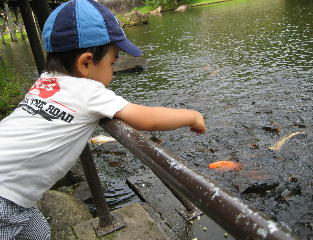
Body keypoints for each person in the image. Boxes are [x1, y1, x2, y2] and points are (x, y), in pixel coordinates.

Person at [0, 0, 206, 239]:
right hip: (6, 198)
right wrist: (192, 116)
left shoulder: (45, 80)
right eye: (113, 61)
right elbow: (145, 118)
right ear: (85, 62)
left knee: (38, 232)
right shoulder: (89, 91)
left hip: (12, 188)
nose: (113, 70)